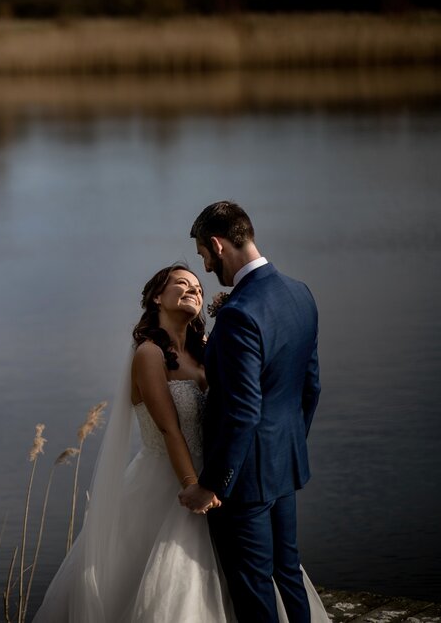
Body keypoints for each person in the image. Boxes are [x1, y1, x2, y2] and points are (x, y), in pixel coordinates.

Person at [32, 261, 327, 622]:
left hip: (222, 477)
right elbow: (171, 429)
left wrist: (218, 480)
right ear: (157, 297)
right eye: (182, 284)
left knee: (255, 572)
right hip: (172, 480)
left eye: (199, 289)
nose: (194, 291)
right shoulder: (148, 354)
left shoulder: (207, 347)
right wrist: (193, 485)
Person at [180, 201, 322, 623]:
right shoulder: (300, 293)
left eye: (204, 255)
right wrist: (286, 446)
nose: (205, 268)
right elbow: (310, 386)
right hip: (283, 464)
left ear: (219, 245)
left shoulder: (240, 314)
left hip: (243, 480)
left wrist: (212, 484)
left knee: (253, 585)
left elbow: (242, 410)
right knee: (287, 573)